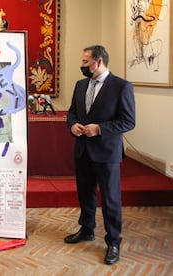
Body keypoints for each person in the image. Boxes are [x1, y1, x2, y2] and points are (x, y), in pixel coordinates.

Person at [65, 45, 135, 265]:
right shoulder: (80, 84)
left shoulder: (121, 86)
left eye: (86, 62)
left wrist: (100, 128)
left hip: (107, 153)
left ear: (99, 62)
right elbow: (72, 112)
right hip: (83, 149)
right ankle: (87, 229)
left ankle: (113, 241)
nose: (82, 65)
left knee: (110, 199)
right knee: (85, 194)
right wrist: (73, 125)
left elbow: (128, 121)